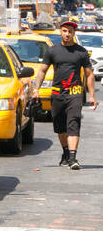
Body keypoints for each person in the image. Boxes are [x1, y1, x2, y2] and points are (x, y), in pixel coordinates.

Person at [31, 17, 97, 169]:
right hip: (57, 94)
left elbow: (89, 74)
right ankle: (66, 152)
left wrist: (92, 95)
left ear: (74, 33)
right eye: (65, 31)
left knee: (73, 123)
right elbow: (42, 71)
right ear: (60, 32)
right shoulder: (52, 51)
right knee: (60, 128)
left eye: (70, 32)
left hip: (75, 94)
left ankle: (73, 158)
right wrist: (36, 89)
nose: (67, 34)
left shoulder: (81, 53)